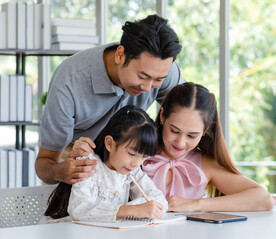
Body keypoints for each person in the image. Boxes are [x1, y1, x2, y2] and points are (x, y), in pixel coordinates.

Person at [36, 14, 184, 185]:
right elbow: (44, 164)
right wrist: (61, 172)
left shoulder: (162, 68)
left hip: (128, 150)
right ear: (120, 55)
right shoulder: (69, 83)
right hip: (77, 151)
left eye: (158, 80)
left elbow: (193, 114)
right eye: (142, 76)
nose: (148, 88)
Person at [141, 82, 276, 212]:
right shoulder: (137, 151)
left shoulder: (204, 164)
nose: (180, 143)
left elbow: (264, 199)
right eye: (174, 131)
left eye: (192, 136)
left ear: (205, 130)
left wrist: (195, 204)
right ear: (162, 116)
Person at [41, 105, 167, 224]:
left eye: (144, 157)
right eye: (132, 154)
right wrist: (132, 210)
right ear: (110, 143)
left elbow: (161, 202)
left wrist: (144, 207)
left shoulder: (131, 171)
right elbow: (79, 209)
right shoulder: (89, 163)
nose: (137, 163)